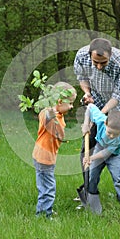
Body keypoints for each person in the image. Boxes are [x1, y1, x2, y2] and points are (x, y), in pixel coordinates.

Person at [74, 38, 120, 196]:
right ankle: (89, 190)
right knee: (87, 149)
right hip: (97, 99)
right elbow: (82, 79)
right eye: (96, 62)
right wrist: (87, 94)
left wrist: (100, 115)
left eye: (104, 62)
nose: (99, 66)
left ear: (111, 55)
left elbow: (118, 95)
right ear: (89, 55)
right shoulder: (81, 56)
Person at [81, 103, 120, 215]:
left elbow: (106, 153)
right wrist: (86, 124)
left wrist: (90, 157)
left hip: (116, 154)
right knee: (92, 174)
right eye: (110, 132)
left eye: (115, 134)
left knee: (119, 178)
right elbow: (90, 107)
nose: (111, 136)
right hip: (100, 146)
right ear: (105, 123)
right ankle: (91, 201)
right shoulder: (101, 119)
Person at [32, 82, 77, 219]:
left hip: (45, 157)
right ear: (59, 101)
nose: (71, 106)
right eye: (70, 103)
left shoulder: (58, 115)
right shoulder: (48, 114)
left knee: (45, 186)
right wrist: (50, 115)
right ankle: (44, 214)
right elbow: (55, 130)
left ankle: (44, 210)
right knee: (48, 189)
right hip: (44, 158)